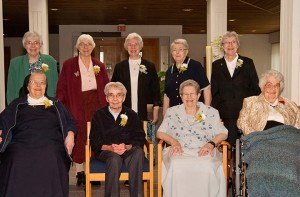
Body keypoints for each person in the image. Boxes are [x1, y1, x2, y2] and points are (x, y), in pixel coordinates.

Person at [0, 70, 76, 197]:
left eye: (42, 83)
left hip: (51, 143)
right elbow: (3, 121)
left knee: (52, 156)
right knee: (16, 157)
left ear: (46, 86)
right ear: (28, 86)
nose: (38, 86)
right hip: (21, 144)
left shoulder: (56, 104)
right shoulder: (17, 104)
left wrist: (71, 134)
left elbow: (70, 122)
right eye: (34, 82)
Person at [157, 79, 228, 197]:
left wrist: (211, 144)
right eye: (185, 94)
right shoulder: (172, 111)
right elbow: (160, 133)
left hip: (204, 149)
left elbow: (223, 133)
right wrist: (173, 142)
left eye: (192, 94)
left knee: (207, 165)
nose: (189, 97)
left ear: (198, 95)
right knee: (176, 165)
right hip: (179, 150)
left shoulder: (211, 112)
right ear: (181, 96)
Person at [56, 34, 109, 186]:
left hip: (96, 105)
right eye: (82, 44)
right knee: (79, 137)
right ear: (77, 47)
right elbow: (62, 87)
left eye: (88, 44)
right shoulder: (69, 64)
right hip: (76, 104)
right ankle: (80, 172)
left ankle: (93, 170)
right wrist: (60, 105)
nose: (85, 47)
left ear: (93, 47)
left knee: (95, 136)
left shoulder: (100, 65)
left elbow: (106, 86)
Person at [90, 82, 145, 197]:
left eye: (119, 95)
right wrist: (110, 148)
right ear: (106, 97)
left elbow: (139, 137)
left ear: (124, 97)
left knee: (138, 152)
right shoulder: (98, 115)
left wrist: (126, 146)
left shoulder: (132, 114)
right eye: (111, 95)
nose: (115, 99)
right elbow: (94, 140)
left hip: (127, 150)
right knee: (114, 159)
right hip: (106, 152)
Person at [211, 31, 261, 145]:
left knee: (245, 143)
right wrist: (216, 114)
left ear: (238, 45)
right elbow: (214, 91)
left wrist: (254, 109)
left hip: (244, 110)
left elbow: (255, 87)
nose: (230, 45)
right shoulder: (216, 65)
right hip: (225, 111)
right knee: (228, 144)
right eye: (227, 43)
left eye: (233, 42)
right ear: (222, 46)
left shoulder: (248, 62)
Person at [111, 32, 160, 123]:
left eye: (136, 44)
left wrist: (156, 111)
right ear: (126, 47)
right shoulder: (119, 67)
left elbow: (155, 90)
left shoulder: (149, 66)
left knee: (142, 135)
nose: (133, 47)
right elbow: (113, 89)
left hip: (144, 111)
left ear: (141, 47)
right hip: (123, 111)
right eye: (130, 44)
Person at [237, 69, 300, 135]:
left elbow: (298, 125)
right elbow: (242, 122)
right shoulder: (250, 102)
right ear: (262, 87)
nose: (273, 88)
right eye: (269, 85)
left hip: (285, 138)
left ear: (280, 88)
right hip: (261, 139)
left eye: (276, 85)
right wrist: (255, 137)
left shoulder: (290, 104)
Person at [163, 38, 211, 117]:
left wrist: (205, 113)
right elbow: (166, 96)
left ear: (186, 52)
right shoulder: (169, 71)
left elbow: (206, 89)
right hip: (174, 115)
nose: (177, 52)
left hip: (194, 113)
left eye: (180, 49)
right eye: (174, 50)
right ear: (171, 53)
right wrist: (165, 116)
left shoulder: (195, 66)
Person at [6, 31, 58, 104]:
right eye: (29, 43)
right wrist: (13, 108)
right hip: (23, 105)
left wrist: (54, 104)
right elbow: (10, 90)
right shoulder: (15, 63)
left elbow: (56, 85)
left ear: (40, 45)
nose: (33, 46)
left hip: (46, 104)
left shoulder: (50, 61)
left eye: (36, 43)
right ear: (24, 45)